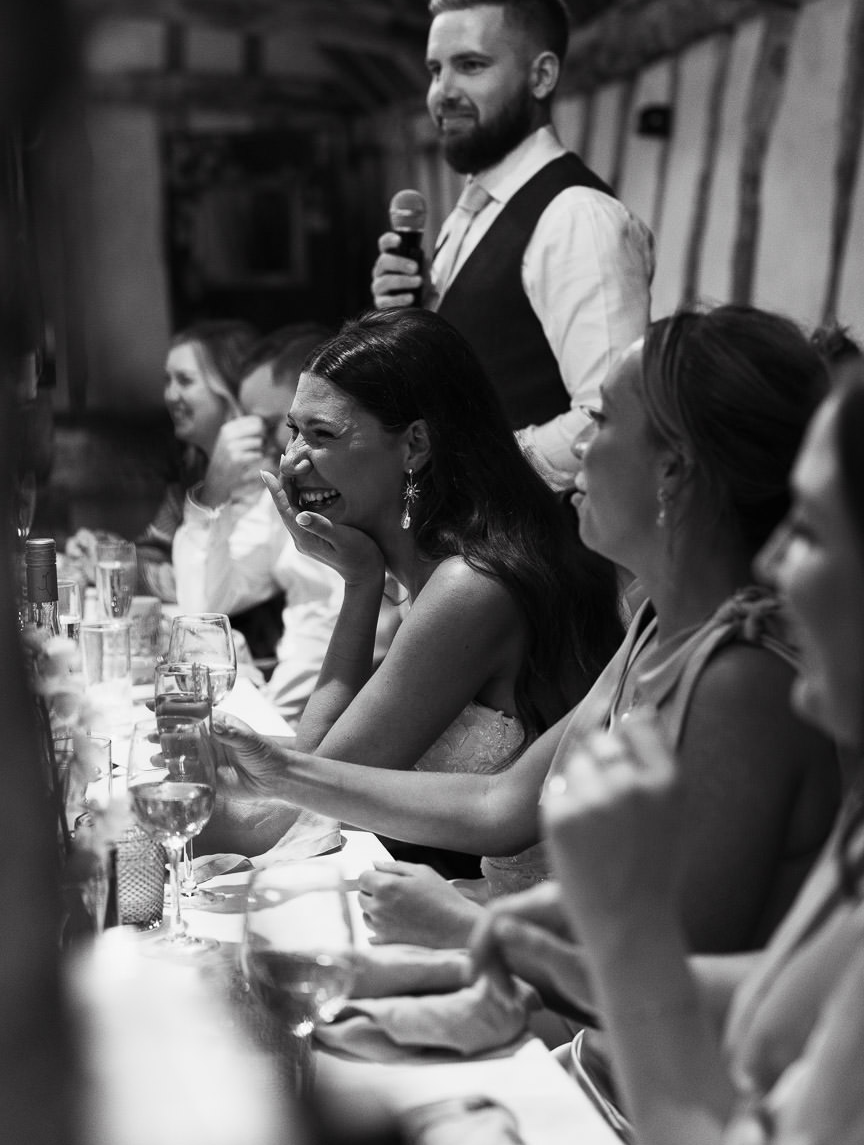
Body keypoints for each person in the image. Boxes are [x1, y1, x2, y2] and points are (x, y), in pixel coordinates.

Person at [214, 305, 840, 956]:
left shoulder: (743, 676)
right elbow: (501, 803)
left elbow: (679, 983)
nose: (576, 447)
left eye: (599, 420)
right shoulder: (655, 622)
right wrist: (283, 771)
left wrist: (475, 937)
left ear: (672, 470)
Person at [477, 367, 864, 1145]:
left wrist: (627, 933)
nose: (774, 561)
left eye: (814, 532)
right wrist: (573, 949)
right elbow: (801, 1002)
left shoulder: (742, 672)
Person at [204, 307, 623, 864]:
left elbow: (309, 798)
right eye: (293, 432)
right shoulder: (435, 571)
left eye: (322, 435)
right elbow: (317, 766)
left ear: (415, 446)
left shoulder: (469, 587)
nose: (291, 462)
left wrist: (118, 824)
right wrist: (359, 583)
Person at [371, 0, 654, 487]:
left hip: (541, 557)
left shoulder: (576, 216)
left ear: (541, 76)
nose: (441, 92)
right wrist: (420, 315)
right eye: (436, 70)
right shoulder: (473, 212)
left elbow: (611, 417)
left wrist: (468, 467)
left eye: (471, 66)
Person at [172, 324, 349, 724]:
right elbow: (203, 612)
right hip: (290, 721)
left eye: (272, 424)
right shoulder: (278, 499)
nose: (258, 438)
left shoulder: (360, 501)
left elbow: (331, 633)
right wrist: (213, 493)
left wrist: (270, 724)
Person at [64, 318, 258, 602]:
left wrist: (115, 568)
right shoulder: (193, 467)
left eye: (185, 381)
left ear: (228, 389)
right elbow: (158, 549)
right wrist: (104, 548)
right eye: (167, 381)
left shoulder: (257, 475)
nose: (170, 395)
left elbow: (199, 585)